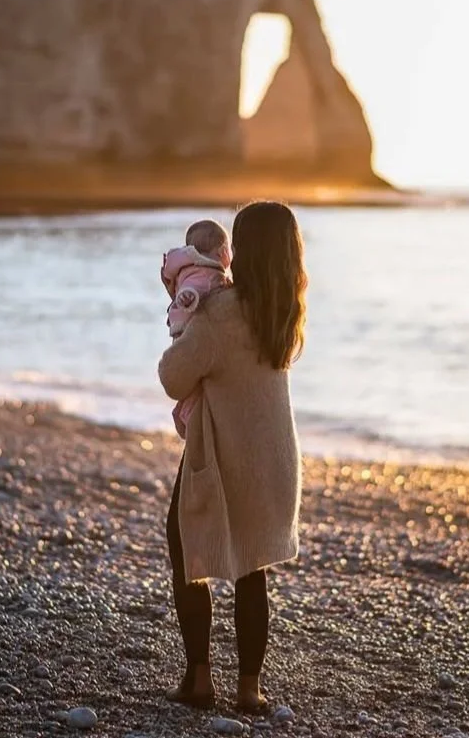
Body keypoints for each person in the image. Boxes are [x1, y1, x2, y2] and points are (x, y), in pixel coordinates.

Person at [158, 201, 307, 712]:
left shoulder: (220, 312)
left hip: (221, 462)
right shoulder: (284, 314)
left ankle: (199, 678)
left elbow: (174, 376)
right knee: (252, 570)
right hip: (275, 466)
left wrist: (180, 308)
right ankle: (250, 688)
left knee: (188, 554)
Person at [160, 219, 231, 437]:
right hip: (186, 321)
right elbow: (193, 289)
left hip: (182, 322)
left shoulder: (190, 268)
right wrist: (185, 298)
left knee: (192, 379)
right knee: (193, 387)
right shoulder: (206, 273)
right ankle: (186, 415)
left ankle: (185, 413)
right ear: (222, 252)